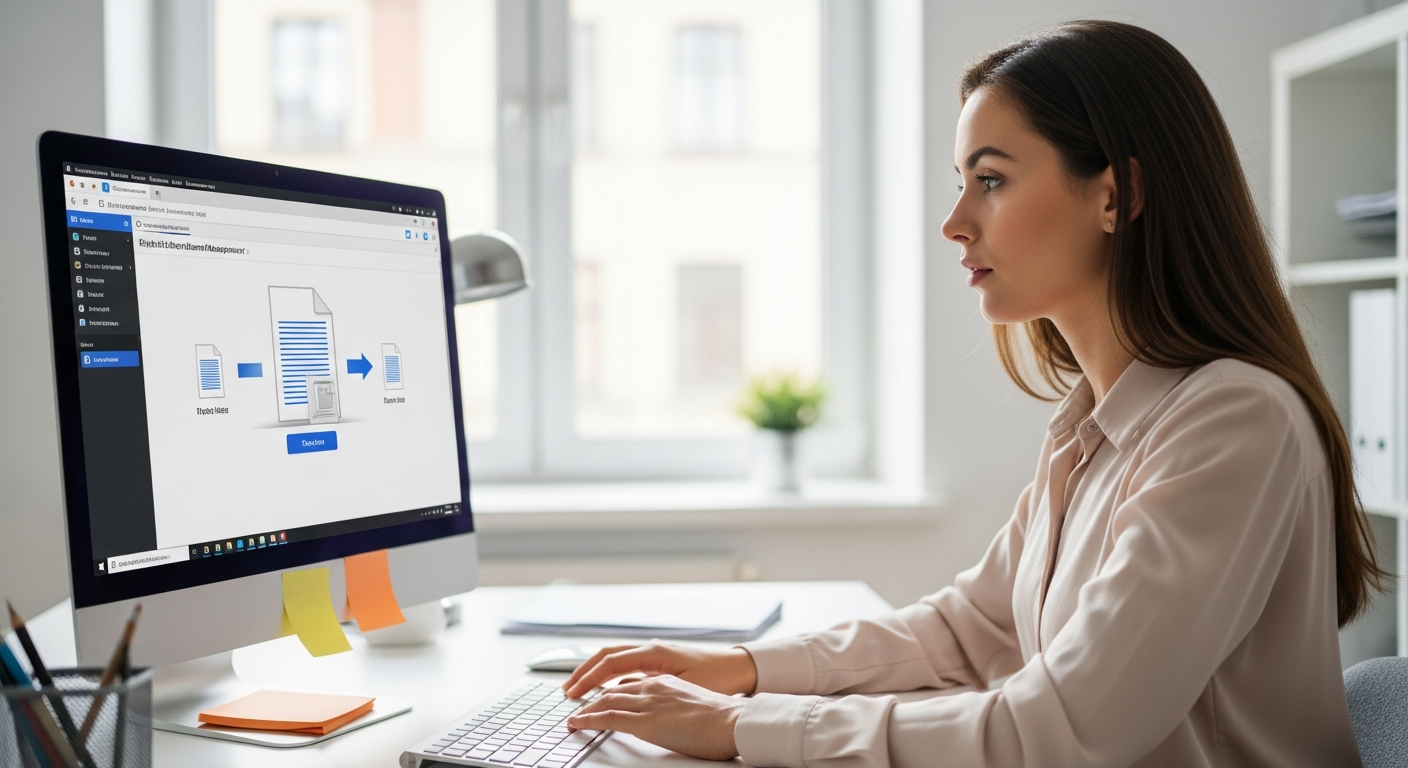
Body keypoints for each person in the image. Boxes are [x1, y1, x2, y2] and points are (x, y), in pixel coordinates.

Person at [561, 20, 1385, 767]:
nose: (955, 221)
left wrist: (744, 726)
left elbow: (1061, 730)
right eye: (963, 181)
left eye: (989, 181)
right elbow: (970, 629)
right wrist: (744, 670)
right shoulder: (1091, 427)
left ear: (1117, 195)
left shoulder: (1234, 420)